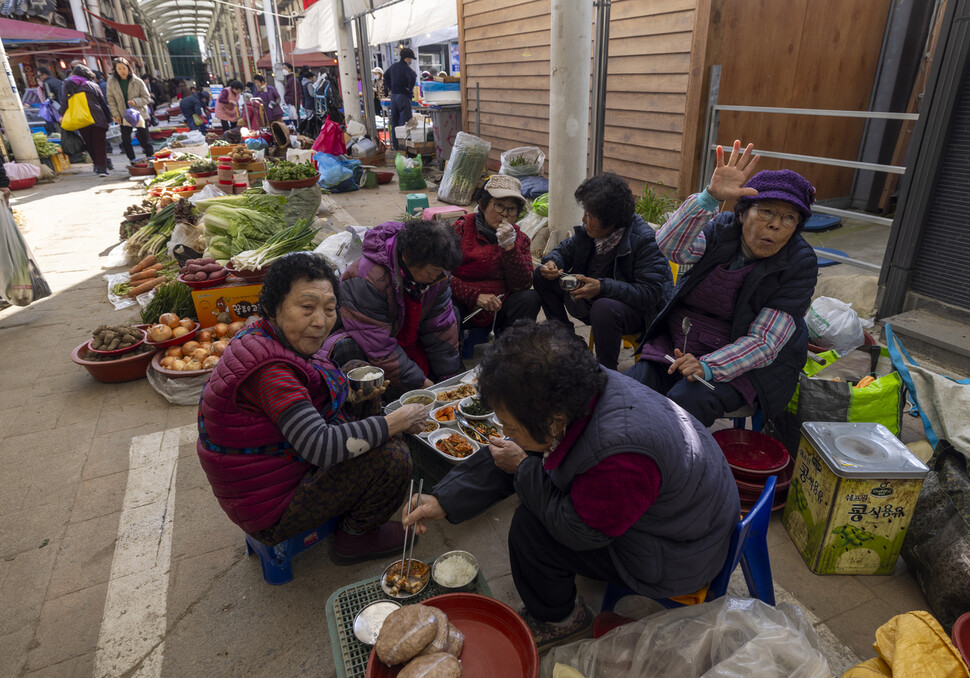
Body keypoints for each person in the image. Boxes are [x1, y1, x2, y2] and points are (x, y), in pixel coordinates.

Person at [402, 321, 740, 650]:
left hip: (682, 551)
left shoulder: (619, 457)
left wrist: (523, 468)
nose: (505, 433)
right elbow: (516, 450)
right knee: (534, 475)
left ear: (554, 421)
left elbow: (576, 531)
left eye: (510, 426)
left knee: (530, 528)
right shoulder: (580, 386)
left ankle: (561, 620)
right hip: (683, 513)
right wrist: (443, 499)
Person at [197, 253, 431, 561]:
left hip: (275, 468)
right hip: (270, 508)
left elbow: (312, 385)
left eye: (330, 309)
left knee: (361, 374)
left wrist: (350, 395)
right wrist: (395, 422)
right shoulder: (271, 374)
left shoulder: (263, 336)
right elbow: (320, 447)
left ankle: (364, 484)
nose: (320, 322)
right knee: (394, 456)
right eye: (307, 307)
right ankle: (356, 537)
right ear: (273, 307)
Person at [625, 141, 819, 427]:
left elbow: (763, 343)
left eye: (789, 218)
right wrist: (709, 198)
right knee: (630, 389)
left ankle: (678, 463)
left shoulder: (799, 264)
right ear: (742, 214)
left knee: (684, 403)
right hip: (682, 341)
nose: (776, 225)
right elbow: (671, 248)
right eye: (766, 211)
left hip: (747, 364)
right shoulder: (721, 231)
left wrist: (708, 366)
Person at [533, 173, 673, 371]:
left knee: (604, 307)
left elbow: (650, 294)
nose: (584, 219)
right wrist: (552, 262)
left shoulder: (645, 240)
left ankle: (605, 372)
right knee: (541, 276)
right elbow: (564, 250)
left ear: (612, 220)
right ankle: (570, 344)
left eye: (590, 215)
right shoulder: (591, 232)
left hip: (636, 313)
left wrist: (602, 287)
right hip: (592, 301)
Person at [339, 220, 462, 395]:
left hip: (408, 336)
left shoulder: (438, 275)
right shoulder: (367, 279)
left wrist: (449, 380)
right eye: (431, 272)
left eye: (440, 271)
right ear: (408, 257)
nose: (436, 276)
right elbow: (378, 346)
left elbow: (441, 326)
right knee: (350, 350)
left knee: (453, 314)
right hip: (370, 344)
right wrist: (421, 385)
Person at [450, 175, 540, 337]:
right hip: (463, 303)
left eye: (511, 209)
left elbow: (522, 285)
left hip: (500, 306)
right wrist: (474, 296)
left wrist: (509, 248)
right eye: (499, 206)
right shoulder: (460, 229)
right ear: (483, 205)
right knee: (443, 304)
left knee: (529, 298)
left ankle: (510, 351)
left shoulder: (521, 239)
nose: (504, 214)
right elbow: (441, 275)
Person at [60, 64, 113, 177]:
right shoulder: (93, 85)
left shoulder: (68, 84)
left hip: (81, 119)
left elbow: (64, 102)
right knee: (100, 144)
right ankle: (102, 168)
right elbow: (103, 104)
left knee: (90, 144)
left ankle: (98, 166)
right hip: (97, 118)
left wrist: (62, 115)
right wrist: (108, 119)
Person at [106, 58, 155, 165]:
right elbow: (111, 99)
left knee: (144, 140)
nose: (122, 71)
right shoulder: (111, 82)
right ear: (115, 70)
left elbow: (146, 98)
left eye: (124, 68)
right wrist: (115, 114)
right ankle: (132, 161)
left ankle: (151, 160)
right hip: (123, 115)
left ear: (129, 68)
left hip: (139, 114)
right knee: (126, 140)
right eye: (119, 68)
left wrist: (135, 102)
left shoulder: (137, 81)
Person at [383, 47, 416, 150]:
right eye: (411, 59)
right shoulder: (406, 69)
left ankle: (396, 146)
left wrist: (390, 87)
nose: (411, 61)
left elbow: (385, 75)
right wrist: (409, 89)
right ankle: (404, 146)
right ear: (408, 58)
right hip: (403, 96)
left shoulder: (393, 67)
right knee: (405, 123)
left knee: (395, 122)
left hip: (393, 97)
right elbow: (413, 77)